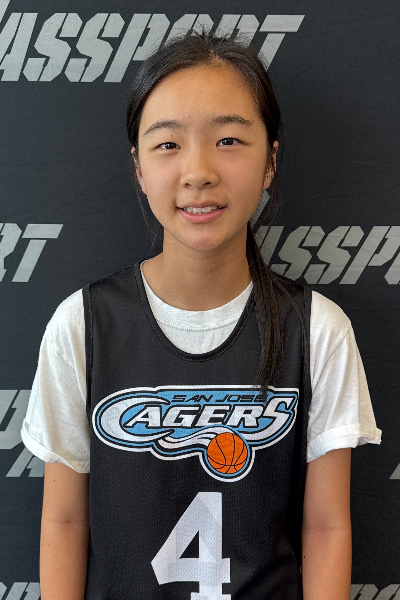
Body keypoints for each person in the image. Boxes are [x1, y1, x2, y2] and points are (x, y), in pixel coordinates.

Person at [21, 31, 381, 600]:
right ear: (138, 168)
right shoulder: (83, 325)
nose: (198, 170)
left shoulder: (318, 329)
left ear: (270, 161)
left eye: (229, 139)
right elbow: (64, 521)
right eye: (168, 144)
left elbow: (326, 527)